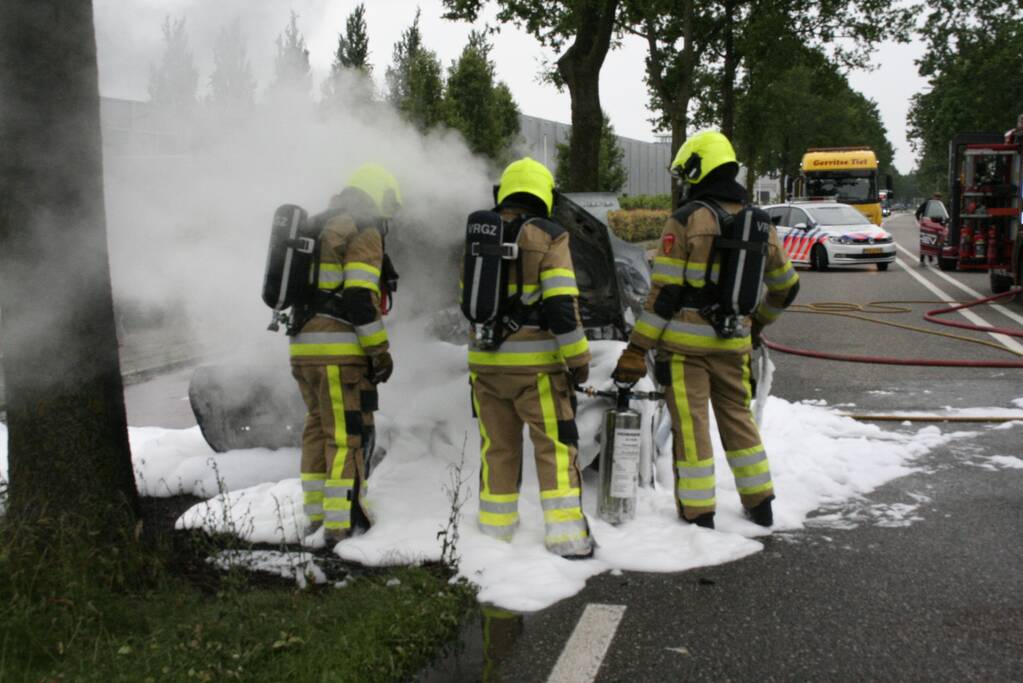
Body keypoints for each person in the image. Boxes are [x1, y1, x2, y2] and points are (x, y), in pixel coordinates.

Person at [612, 131, 799, 529]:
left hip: (683, 351)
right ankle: (761, 503)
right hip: (733, 345)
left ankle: (699, 515)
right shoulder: (760, 223)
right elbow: (786, 287)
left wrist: (635, 349)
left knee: (692, 428)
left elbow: (664, 295)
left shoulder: (685, 220)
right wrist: (757, 323)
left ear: (700, 167)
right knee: (738, 420)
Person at [466, 157, 594, 558]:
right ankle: (567, 536)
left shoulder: (477, 236)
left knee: (497, 447)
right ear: (545, 195)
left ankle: (495, 530)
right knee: (555, 447)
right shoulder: (550, 236)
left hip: (486, 366)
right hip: (536, 370)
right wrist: (578, 359)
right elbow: (561, 307)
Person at [290, 163, 400, 547]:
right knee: (345, 435)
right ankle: (340, 527)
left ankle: (316, 514)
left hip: (303, 348)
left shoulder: (319, 225)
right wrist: (379, 352)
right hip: (338, 351)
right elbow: (359, 298)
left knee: (317, 427)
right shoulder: (362, 229)